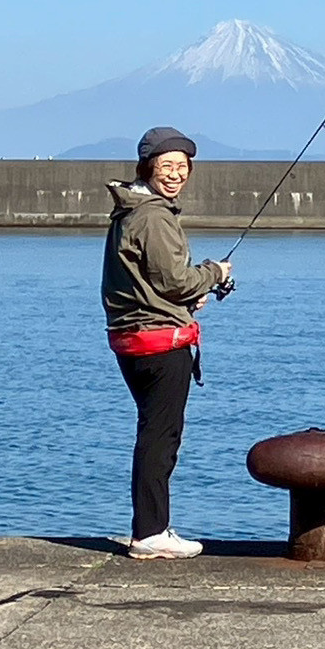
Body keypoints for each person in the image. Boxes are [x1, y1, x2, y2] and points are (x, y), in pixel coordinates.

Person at [101, 126, 232, 560]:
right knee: (161, 437)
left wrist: (187, 294)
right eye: (167, 166)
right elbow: (176, 279)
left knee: (153, 433)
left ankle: (152, 526)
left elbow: (144, 282)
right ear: (148, 168)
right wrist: (214, 273)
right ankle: (151, 532)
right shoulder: (154, 216)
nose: (176, 174)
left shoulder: (128, 211)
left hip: (132, 339)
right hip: (160, 345)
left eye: (183, 167)